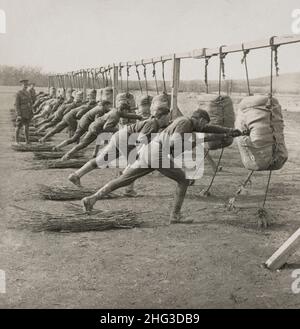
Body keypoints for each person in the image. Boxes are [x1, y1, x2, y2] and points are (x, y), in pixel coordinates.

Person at [81, 109, 243, 223]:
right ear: (200, 119)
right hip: (157, 153)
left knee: (124, 179)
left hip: (149, 150)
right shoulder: (185, 123)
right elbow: (175, 141)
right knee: (184, 180)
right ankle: (176, 215)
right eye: (204, 123)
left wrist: (228, 131)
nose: (203, 127)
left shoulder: (188, 123)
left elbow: (209, 128)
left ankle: (92, 198)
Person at [68, 106, 171, 197]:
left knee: (101, 160)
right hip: (125, 138)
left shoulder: (153, 122)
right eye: (168, 117)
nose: (169, 119)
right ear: (162, 117)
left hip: (119, 136)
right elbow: (141, 139)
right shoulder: (152, 124)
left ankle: (76, 175)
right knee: (135, 164)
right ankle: (129, 190)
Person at [61, 103, 143, 160]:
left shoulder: (116, 111)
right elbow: (106, 127)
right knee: (113, 140)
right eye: (127, 110)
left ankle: (69, 155)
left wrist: (138, 117)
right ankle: (102, 156)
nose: (127, 113)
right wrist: (118, 130)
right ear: (124, 110)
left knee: (84, 144)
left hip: (94, 125)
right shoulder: (115, 116)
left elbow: (126, 115)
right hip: (97, 128)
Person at [15, 79, 33, 144]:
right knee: (18, 126)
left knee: (26, 127)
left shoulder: (28, 93)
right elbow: (16, 105)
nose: (26, 86)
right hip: (21, 113)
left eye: (27, 85)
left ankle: (27, 141)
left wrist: (31, 111)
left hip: (27, 112)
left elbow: (30, 102)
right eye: (24, 85)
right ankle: (16, 141)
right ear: (21, 85)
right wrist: (18, 114)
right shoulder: (18, 93)